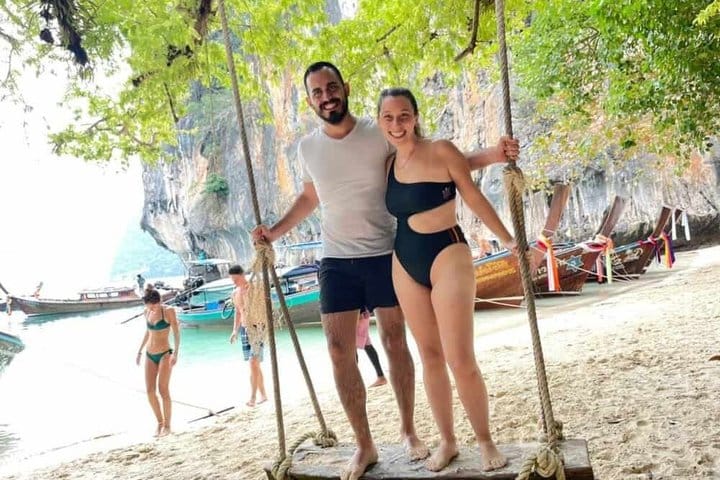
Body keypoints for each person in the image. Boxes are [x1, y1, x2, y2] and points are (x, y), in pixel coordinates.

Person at [251, 61, 518, 480]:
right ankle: (371, 445)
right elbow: (310, 197)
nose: (326, 96)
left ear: (345, 88)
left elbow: (439, 163)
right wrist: (275, 231)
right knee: (344, 350)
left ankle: (417, 432)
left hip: (388, 251)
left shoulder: (379, 133)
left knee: (401, 343)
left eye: (332, 87)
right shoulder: (308, 148)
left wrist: (493, 156)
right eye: (317, 92)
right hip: (340, 257)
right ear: (309, 100)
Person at [379, 87, 516, 472]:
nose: (396, 125)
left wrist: (509, 240)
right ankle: (448, 441)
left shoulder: (441, 150)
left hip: (447, 254)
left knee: (460, 356)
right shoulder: (387, 164)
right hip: (404, 261)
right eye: (388, 118)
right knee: (430, 356)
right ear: (379, 122)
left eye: (404, 116)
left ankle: (485, 441)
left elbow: (472, 196)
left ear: (415, 117)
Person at [135, 288, 179, 437]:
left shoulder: (168, 311)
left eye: (153, 305)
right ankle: (159, 423)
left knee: (163, 390)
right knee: (150, 391)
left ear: (159, 301)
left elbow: (176, 332)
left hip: (165, 354)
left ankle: (167, 426)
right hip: (149, 354)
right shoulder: (146, 312)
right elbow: (148, 332)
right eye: (149, 306)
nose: (151, 308)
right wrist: (139, 351)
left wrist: (176, 354)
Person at [228, 264, 267, 407]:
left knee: (253, 362)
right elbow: (238, 312)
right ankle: (263, 395)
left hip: (258, 327)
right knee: (254, 365)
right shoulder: (235, 293)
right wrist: (235, 330)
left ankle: (253, 397)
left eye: (236, 279)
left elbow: (264, 303)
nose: (234, 282)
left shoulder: (254, 288)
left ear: (243, 275)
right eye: (232, 280)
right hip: (244, 329)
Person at [356, 308, 387, 388]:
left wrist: (360, 311)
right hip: (361, 312)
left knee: (351, 347)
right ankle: (381, 376)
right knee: (367, 345)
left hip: (358, 312)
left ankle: (354, 381)